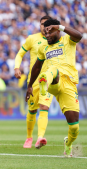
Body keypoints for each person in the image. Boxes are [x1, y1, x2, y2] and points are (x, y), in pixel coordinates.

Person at [26, 18, 82, 157]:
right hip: (53, 82)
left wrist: (60, 26)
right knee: (52, 70)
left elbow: (79, 35)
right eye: (45, 32)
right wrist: (29, 86)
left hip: (69, 85)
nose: (47, 35)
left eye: (50, 32)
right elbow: (37, 67)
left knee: (74, 127)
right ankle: (44, 83)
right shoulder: (43, 47)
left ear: (57, 30)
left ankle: (68, 144)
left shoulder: (68, 41)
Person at [14, 15, 53, 149]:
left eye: (47, 24)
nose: (44, 26)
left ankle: (40, 137)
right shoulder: (32, 39)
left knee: (44, 107)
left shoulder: (56, 39)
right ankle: (29, 137)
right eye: (42, 24)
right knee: (32, 110)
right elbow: (20, 53)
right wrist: (16, 67)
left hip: (48, 80)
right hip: (33, 81)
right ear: (39, 25)